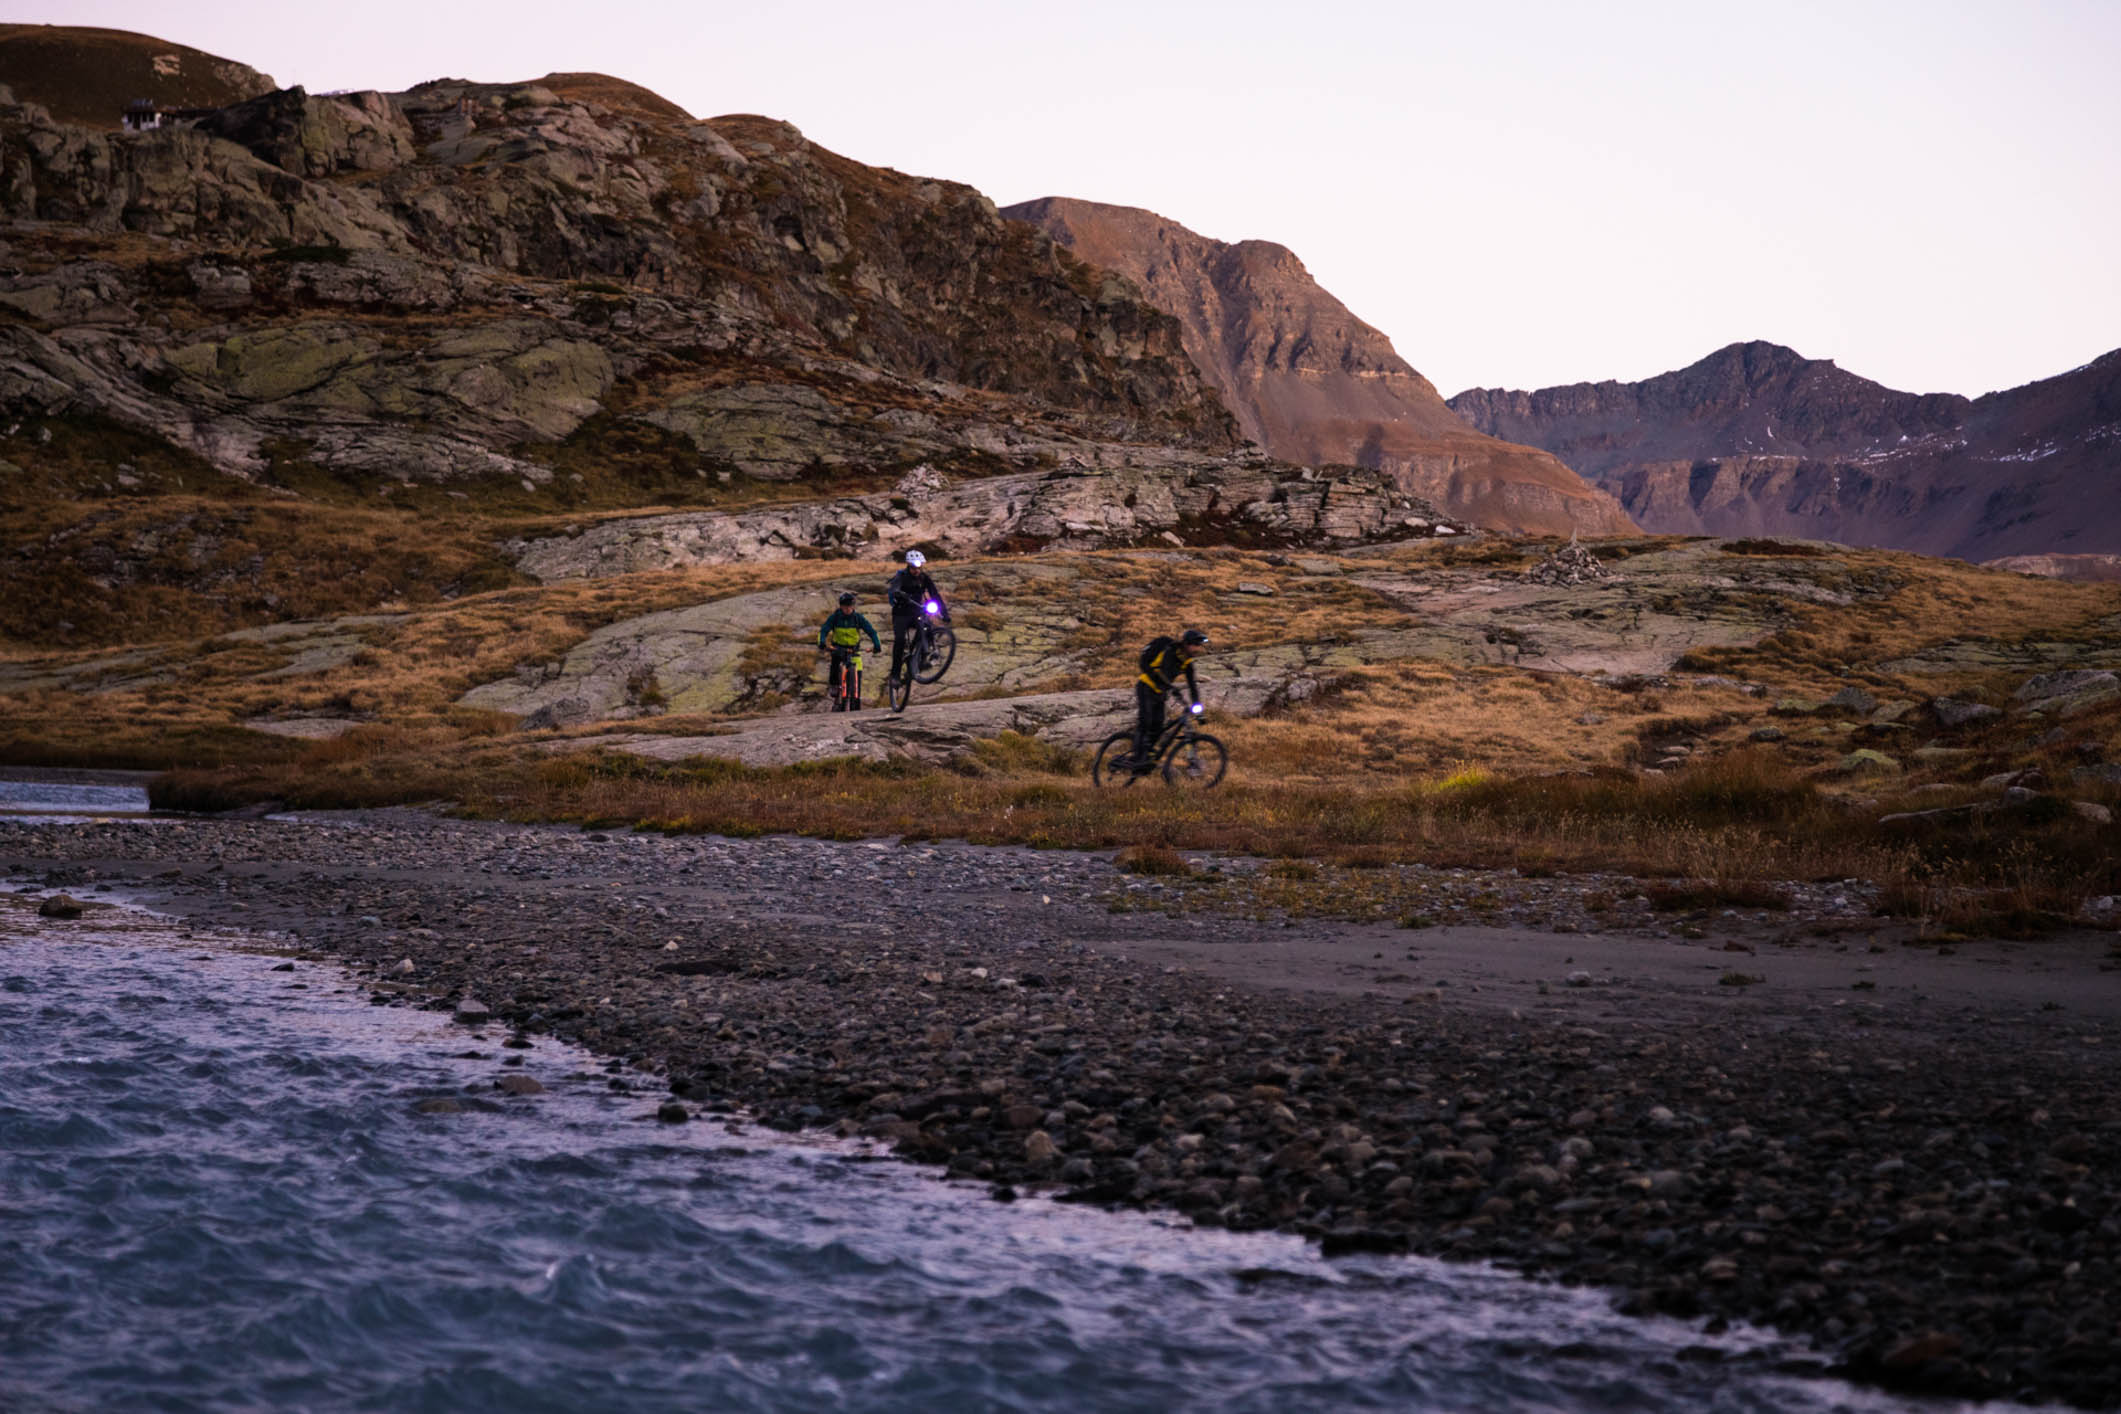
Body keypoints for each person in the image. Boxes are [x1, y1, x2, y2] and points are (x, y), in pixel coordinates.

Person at [1133, 629, 1208, 767]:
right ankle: (1137, 757)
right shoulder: (1170, 652)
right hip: (1146, 687)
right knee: (1146, 721)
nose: (1198, 649)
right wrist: (1172, 688)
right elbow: (1161, 673)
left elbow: (1193, 687)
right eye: (1195, 645)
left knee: (1158, 724)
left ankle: (1148, 754)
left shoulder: (1187, 663)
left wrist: (1199, 711)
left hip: (1160, 693)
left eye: (1199, 646)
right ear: (1187, 644)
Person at [884, 549, 948, 702]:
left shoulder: (924, 578)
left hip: (916, 611)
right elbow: (893, 588)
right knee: (899, 640)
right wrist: (899, 593)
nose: (916, 570)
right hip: (901, 614)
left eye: (919, 567)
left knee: (926, 627)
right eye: (914, 567)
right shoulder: (901, 576)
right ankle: (895, 675)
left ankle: (918, 659)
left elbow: (935, 595)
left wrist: (945, 613)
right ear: (908, 565)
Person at [817, 591, 880, 708]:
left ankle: (855, 701)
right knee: (835, 664)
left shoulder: (858, 618)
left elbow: (871, 631)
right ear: (841, 606)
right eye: (845, 606)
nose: (848, 609)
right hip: (838, 647)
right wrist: (821, 642)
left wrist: (877, 645)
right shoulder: (835, 617)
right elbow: (824, 630)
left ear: (853, 606)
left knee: (857, 676)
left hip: (854, 649)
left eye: (850, 606)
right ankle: (834, 685)